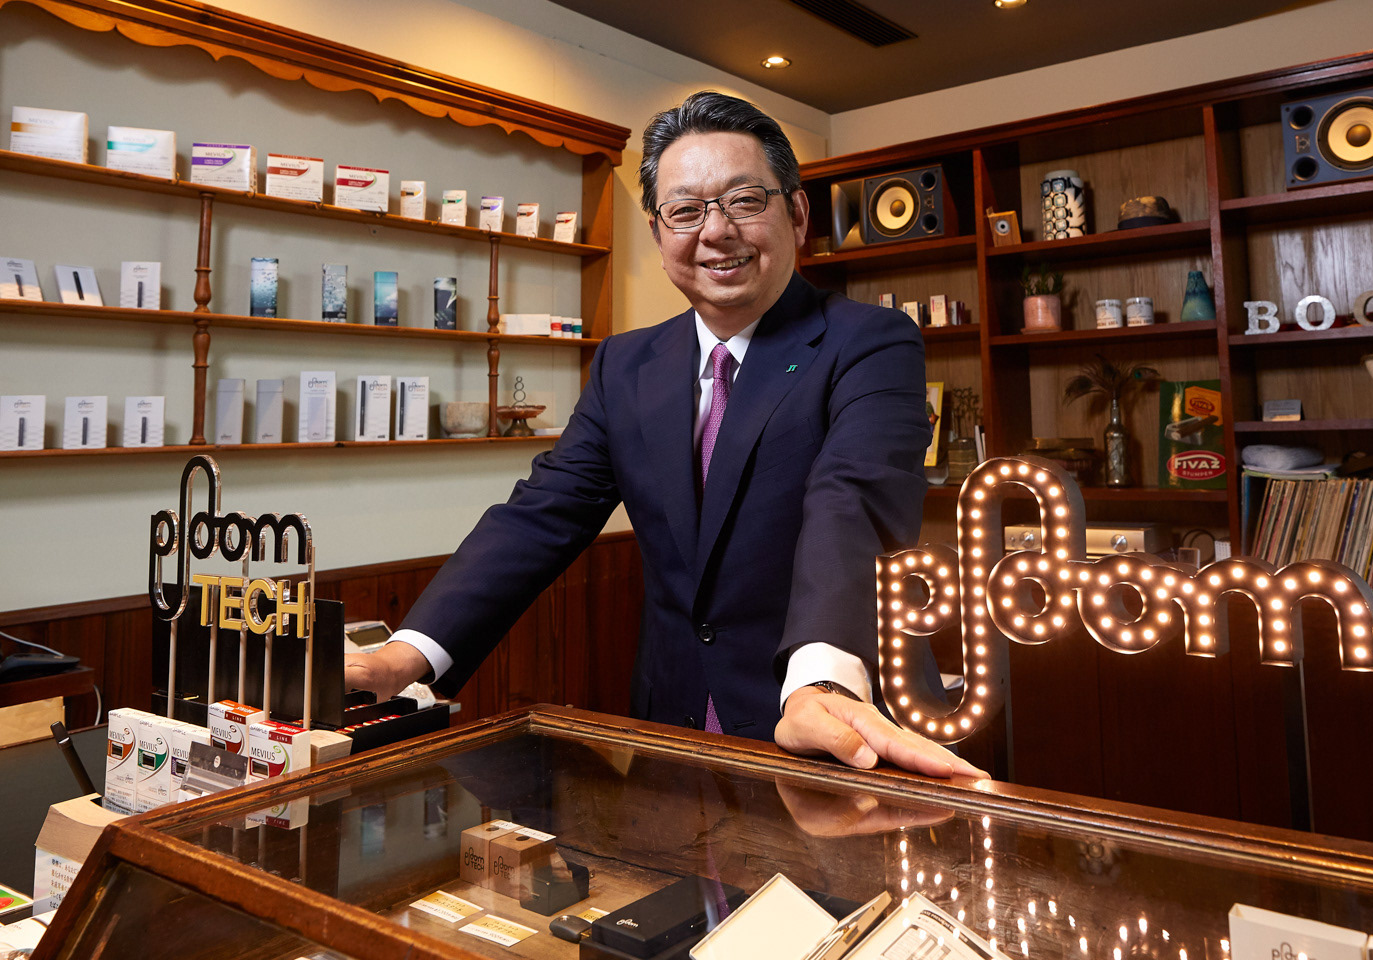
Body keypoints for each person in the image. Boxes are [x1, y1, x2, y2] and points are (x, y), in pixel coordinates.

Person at [346, 91, 986, 780]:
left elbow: (850, 503)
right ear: (659, 235)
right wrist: (404, 656)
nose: (717, 232)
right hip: (672, 727)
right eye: (686, 211)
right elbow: (542, 515)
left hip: (829, 722)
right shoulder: (626, 364)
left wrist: (819, 680)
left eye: (745, 201)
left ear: (797, 215)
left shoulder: (871, 341)